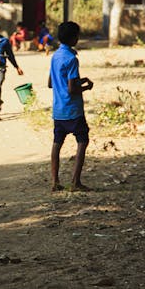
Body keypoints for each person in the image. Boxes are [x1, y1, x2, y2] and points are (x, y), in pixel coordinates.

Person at [48, 21, 94, 192]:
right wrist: (86, 86)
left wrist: (80, 80)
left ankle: (55, 181)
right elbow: (72, 88)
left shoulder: (55, 57)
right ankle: (75, 181)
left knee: (57, 143)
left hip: (58, 110)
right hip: (73, 109)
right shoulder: (71, 59)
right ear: (74, 38)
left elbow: (52, 82)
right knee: (83, 140)